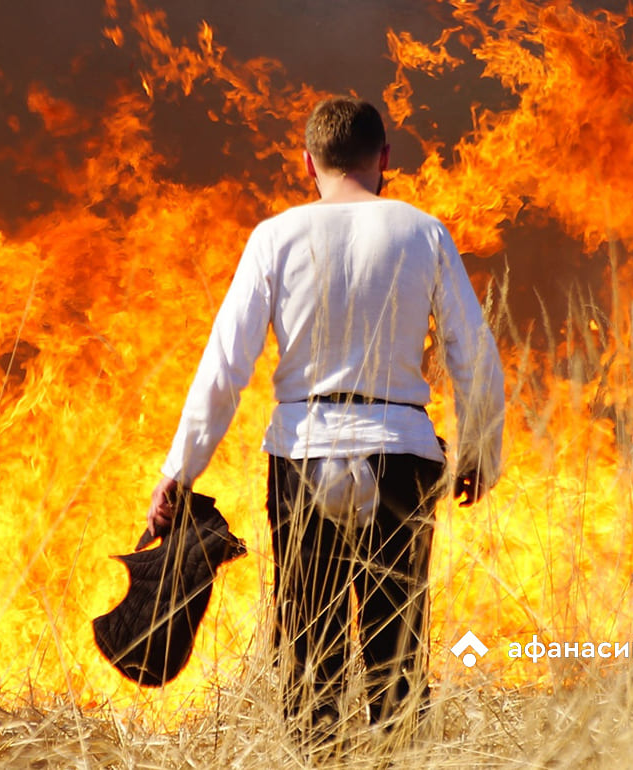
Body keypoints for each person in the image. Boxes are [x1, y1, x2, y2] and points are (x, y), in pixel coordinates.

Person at [145, 95, 505, 746]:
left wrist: (180, 472)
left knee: (312, 653)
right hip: (402, 454)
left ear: (306, 161)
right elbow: (474, 354)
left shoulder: (275, 237)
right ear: (384, 159)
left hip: (304, 453)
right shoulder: (423, 231)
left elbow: (224, 369)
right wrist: (481, 451)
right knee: (397, 650)